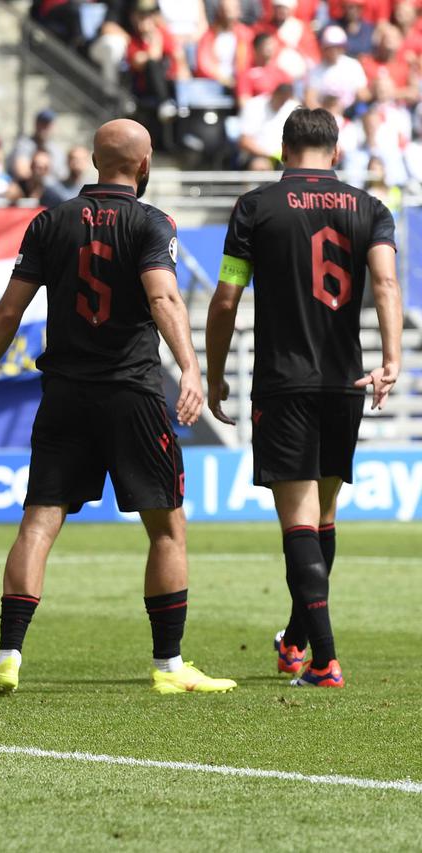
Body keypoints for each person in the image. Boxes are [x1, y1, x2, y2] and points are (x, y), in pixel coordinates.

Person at [0, 119, 237, 697]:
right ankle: (169, 665)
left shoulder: (49, 222)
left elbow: (9, 310)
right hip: (131, 392)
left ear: (96, 162)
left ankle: (8, 657)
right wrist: (192, 367)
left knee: (39, 521)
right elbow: (162, 294)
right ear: (144, 163)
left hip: (65, 394)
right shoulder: (152, 222)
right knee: (167, 528)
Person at [204, 107, 401, 689]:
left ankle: (324, 660)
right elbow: (387, 283)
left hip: (284, 383)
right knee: (324, 516)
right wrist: (391, 361)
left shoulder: (256, 206)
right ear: (335, 152)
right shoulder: (371, 208)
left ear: (282, 149)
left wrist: (214, 374)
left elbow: (224, 299)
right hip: (345, 382)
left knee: (298, 522)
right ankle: (295, 641)